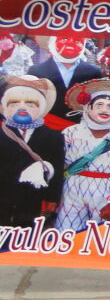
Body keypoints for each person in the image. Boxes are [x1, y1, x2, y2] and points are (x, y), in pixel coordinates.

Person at [54, 79, 110, 231]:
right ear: (88, 107)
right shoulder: (70, 132)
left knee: (100, 233)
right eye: (99, 105)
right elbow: (59, 163)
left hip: (105, 190)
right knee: (66, 230)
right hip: (71, 188)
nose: (104, 110)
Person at [0, 76, 64, 233]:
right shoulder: (2, 133)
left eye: (30, 104)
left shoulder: (53, 136)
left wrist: (52, 198)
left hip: (33, 198)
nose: (22, 108)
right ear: (4, 107)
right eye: (14, 104)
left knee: (27, 235)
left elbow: (57, 168)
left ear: (41, 108)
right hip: (3, 195)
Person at [28, 36, 103, 128]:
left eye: (77, 40)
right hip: (43, 128)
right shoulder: (36, 71)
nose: (70, 43)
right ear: (52, 42)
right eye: (64, 39)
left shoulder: (93, 72)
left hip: (80, 129)